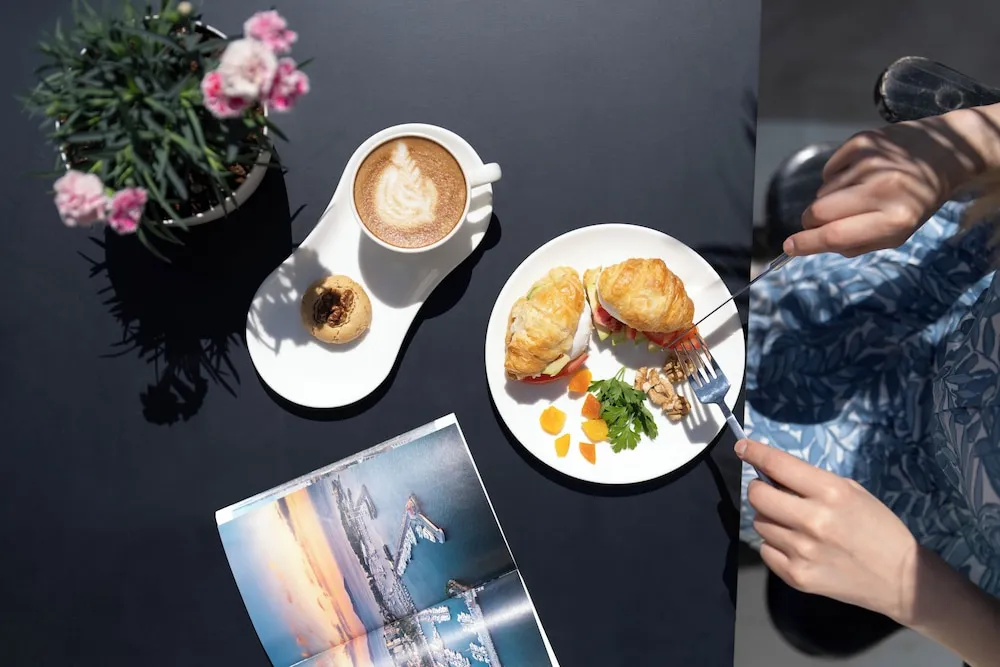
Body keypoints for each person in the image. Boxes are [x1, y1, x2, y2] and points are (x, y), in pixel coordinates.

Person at [739, 102, 1000, 667]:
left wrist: (916, 590)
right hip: (953, 288)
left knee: (676, 451)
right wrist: (976, 140)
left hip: (935, 511)